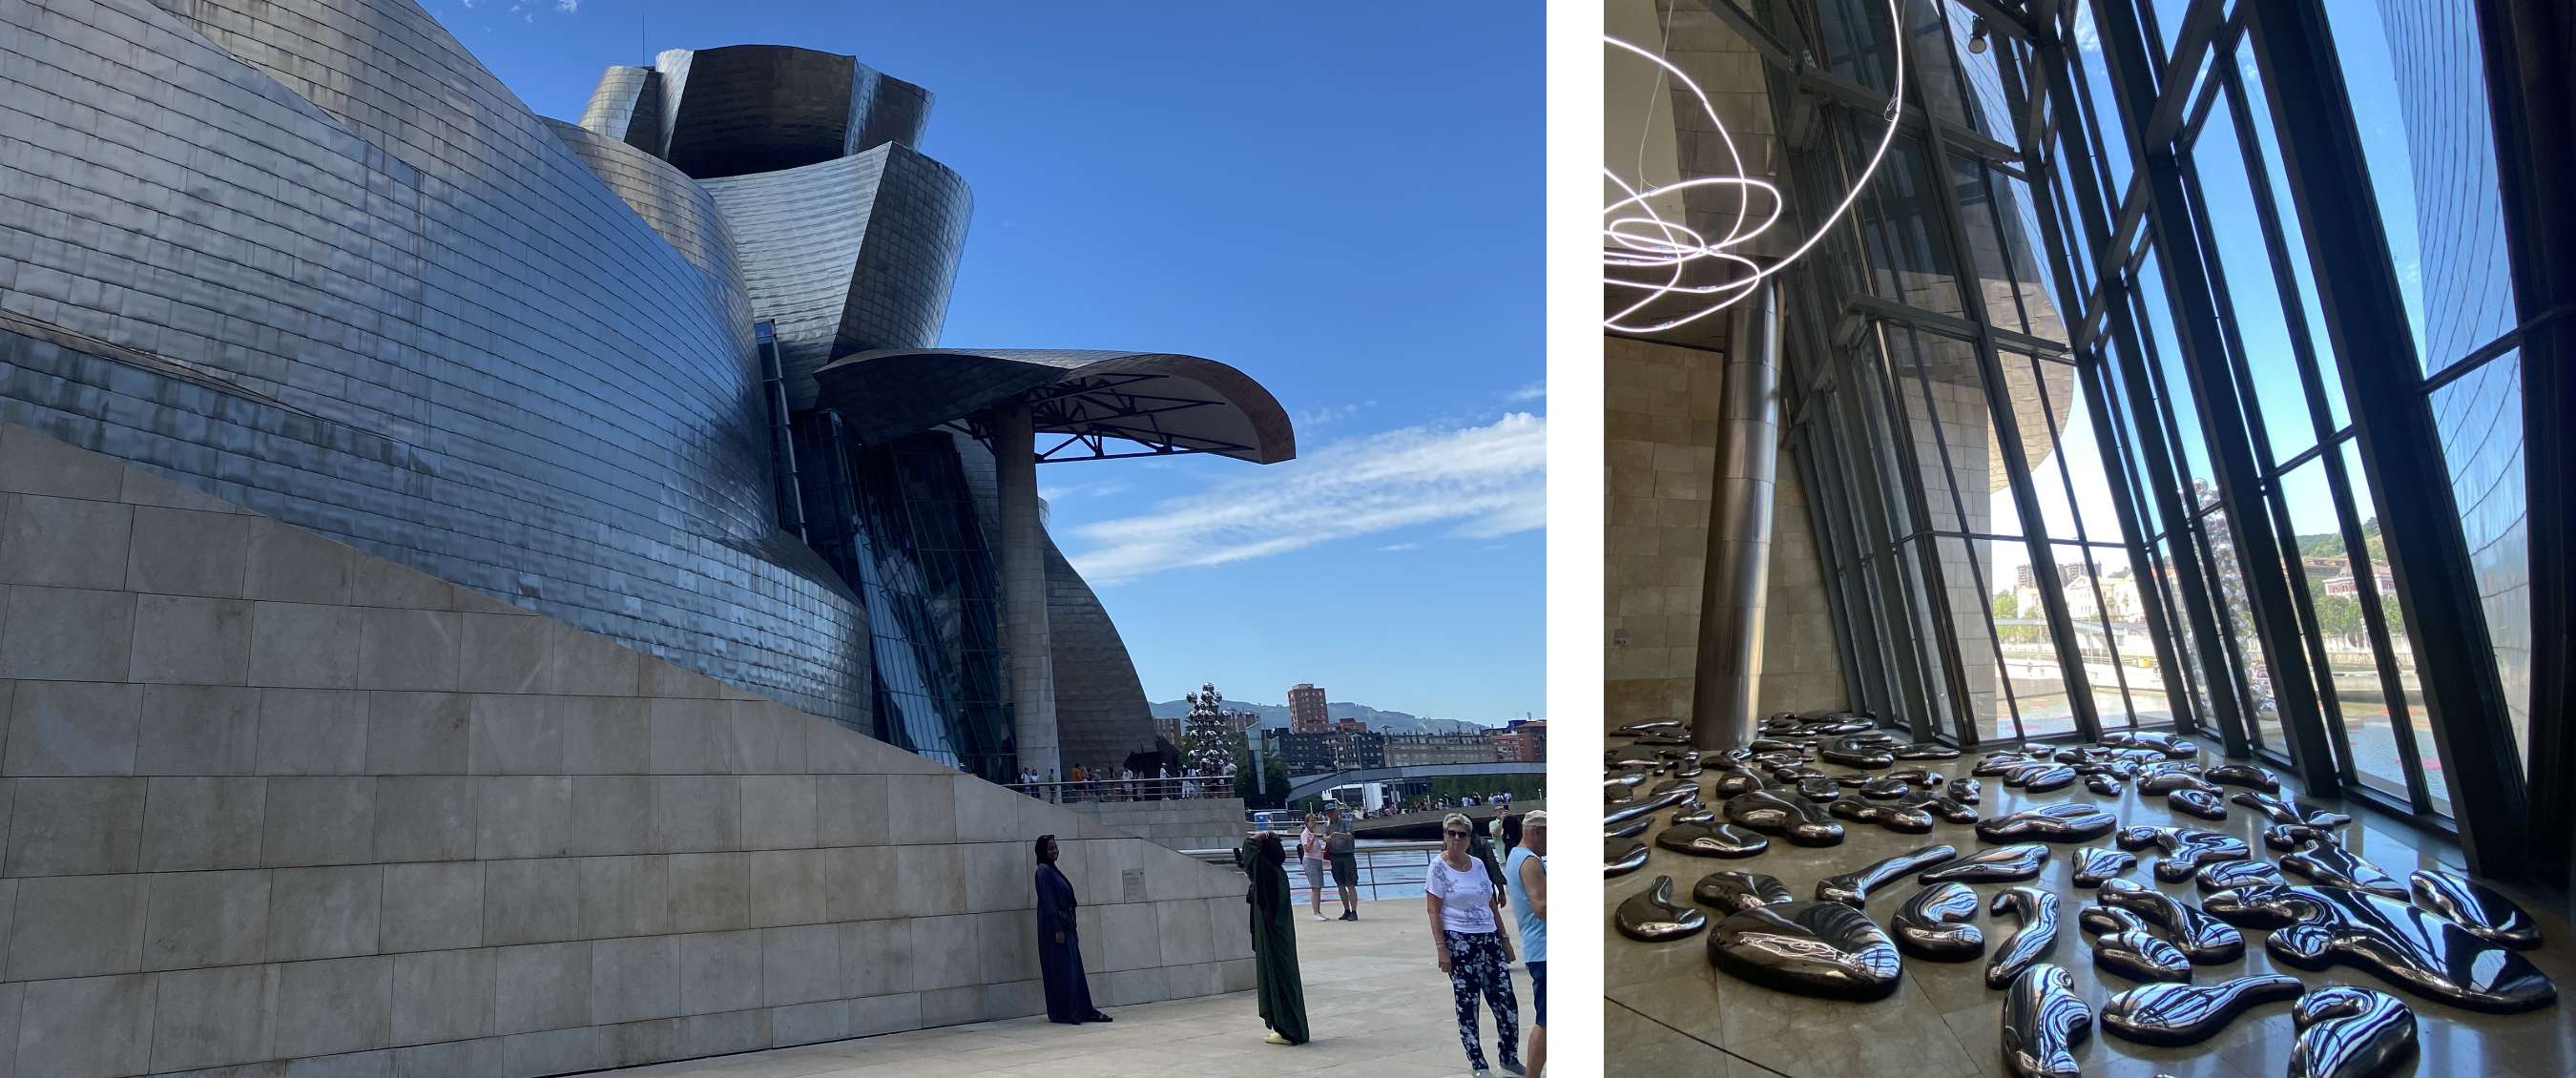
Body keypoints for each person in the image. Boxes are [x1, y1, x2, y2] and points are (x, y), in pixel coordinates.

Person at [1426, 813, 1520, 1077]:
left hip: (1488, 938)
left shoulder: (1478, 864)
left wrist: (1505, 940)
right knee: (1468, 1005)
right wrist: (1441, 948)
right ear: (1444, 836)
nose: (1456, 838)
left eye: (1462, 834)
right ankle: (1478, 1064)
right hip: (1459, 940)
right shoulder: (1437, 868)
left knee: (1505, 1002)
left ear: (1469, 838)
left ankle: (1509, 1056)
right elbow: (1433, 911)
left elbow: (1491, 904)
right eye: (1451, 833)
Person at [1032, 835, 1111, 1024]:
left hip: (1066, 928)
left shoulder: (1052, 870)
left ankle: (1082, 1009)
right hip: (1055, 932)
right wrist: (1057, 929)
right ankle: (1065, 1011)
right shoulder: (1043, 871)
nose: (1054, 851)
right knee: (1061, 971)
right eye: (1050, 848)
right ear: (1043, 851)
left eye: (1055, 847)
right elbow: (1048, 902)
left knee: (1073, 970)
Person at [1242, 831, 1310, 1045]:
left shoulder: (1266, 874)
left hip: (1273, 939)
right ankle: (1292, 1027)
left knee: (1278, 980)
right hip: (1281, 936)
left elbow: (1249, 849)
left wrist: (1263, 834)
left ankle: (1288, 1029)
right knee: (1287, 981)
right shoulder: (1278, 873)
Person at [1505, 812, 1547, 1078]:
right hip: (1546, 949)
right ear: (1536, 832)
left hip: (1538, 949)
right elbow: (1542, 907)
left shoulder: (1515, 856)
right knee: (1547, 1021)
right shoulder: (1530, 861)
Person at [1324, 803, 1360, 920]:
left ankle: (1354, 911)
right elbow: (1324, 836)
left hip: (1347, 855)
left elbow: (1350, 836)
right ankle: (1346, 910)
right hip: (1335, 857)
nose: (1330, 814)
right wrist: (1327, 838)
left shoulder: (1347, 822)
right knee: (1340, 884)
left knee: (1350, 884)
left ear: (1337, 811)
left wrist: (1338, 835)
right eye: (1328, 812)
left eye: (1332, 811)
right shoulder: (1328, 825)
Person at [1297, 813, 1329, 921]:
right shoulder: (1305, 834)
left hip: (1317, 861)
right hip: (1310, 861)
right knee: (1315, 887)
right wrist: (1313, 839)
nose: (1314, 823)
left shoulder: (1312, 833)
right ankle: (1315, 912)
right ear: (1306, 823)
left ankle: (1318, 911)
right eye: (1311, 821)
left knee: (1318, 887)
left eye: (1315, 820)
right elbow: (1306, 849)